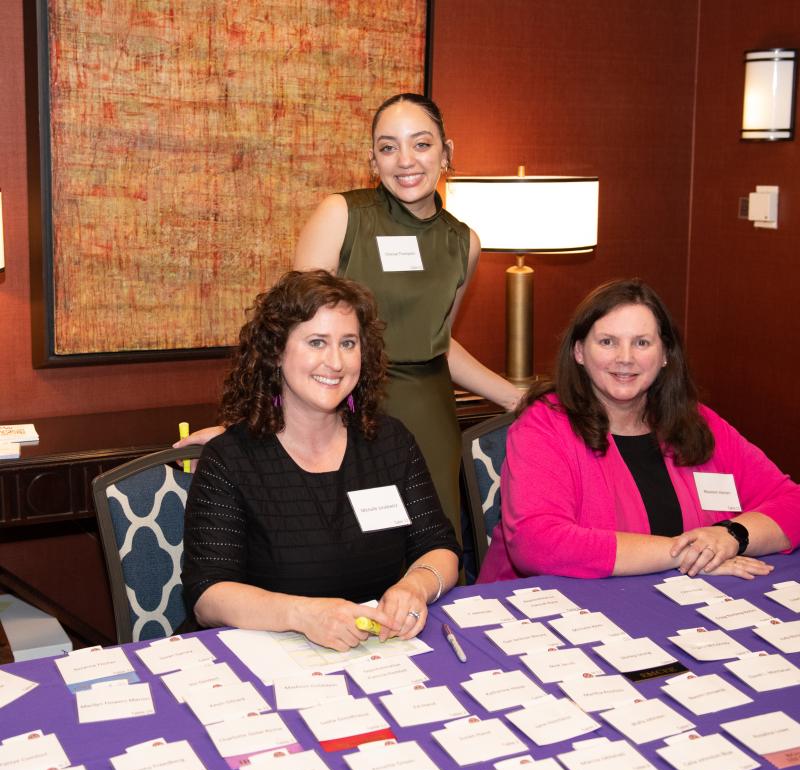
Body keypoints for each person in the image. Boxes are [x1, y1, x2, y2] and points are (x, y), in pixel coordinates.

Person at [181, 270, 461, 651]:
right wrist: (305, 615)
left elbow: (439, 546)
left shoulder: (390, 442)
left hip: (375, 651)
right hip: (266, 657)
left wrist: (416, 586)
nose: (335, 361)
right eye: (316, 342)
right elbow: (208, 594)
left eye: (348, 343)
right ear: (277, 352)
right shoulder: (231, 459)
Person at [293, 92, 523, 537]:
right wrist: (251, 425)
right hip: (346, 407)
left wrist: (517, 398)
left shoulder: (464, 243)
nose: (405, 161)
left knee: (432, 546)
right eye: (388, 147)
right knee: (353, 546)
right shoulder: (342, 215)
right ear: (372, 160)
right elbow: (293, 335)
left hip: (430, 414)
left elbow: (439, 343)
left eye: (420, 144)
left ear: (446, 152)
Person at [478, 278, 800, 583]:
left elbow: (792, 503)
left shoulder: (696, 422)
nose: (625, 358)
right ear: (578, 351)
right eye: (608, 342)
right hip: (548, 616)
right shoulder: (544, 426)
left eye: (642, 342)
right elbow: (538, 544)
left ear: (664, 355)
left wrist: (731, 535)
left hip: (684, 608)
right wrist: (688, 553)